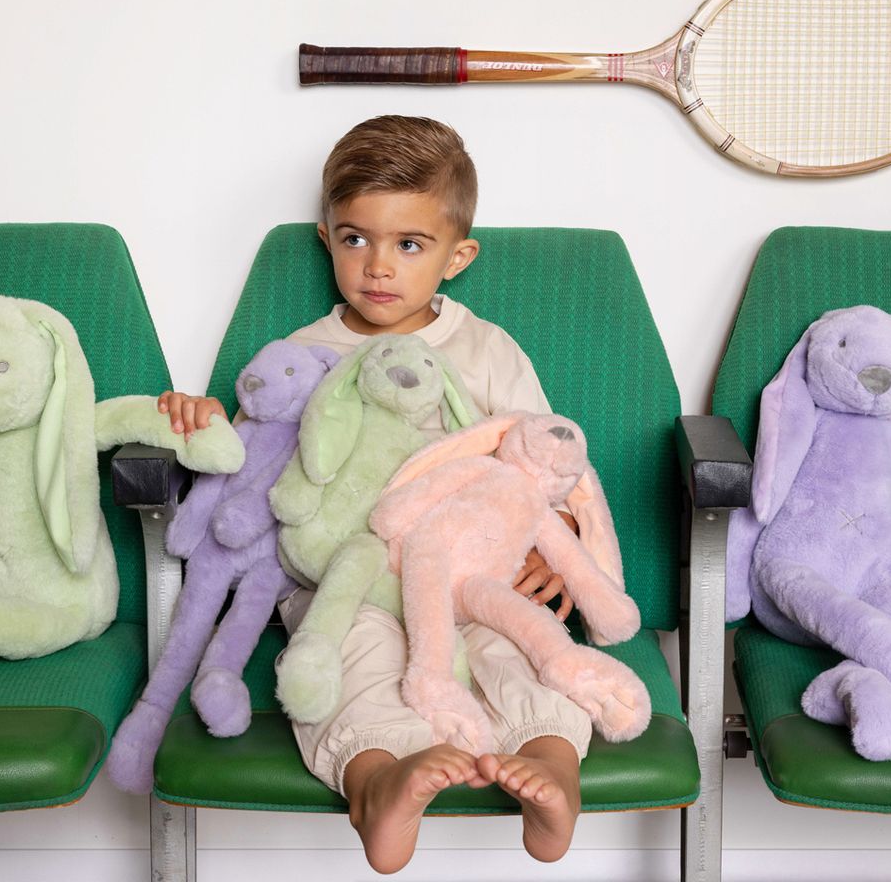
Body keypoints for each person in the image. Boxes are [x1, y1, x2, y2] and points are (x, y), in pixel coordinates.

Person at [159, 115, 591, 873]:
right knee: (352, 665)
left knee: (518, 651)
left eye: (410, 245)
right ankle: (377, 786)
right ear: (326, 238)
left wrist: (554, 542)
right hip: (344, 579)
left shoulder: (486, 350)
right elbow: (251, 469)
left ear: (458, 256)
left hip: (468, 574)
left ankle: (551, 767)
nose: (378, 267)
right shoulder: (301, 354)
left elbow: (543, 460)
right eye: (355, 239)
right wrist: (199, 423)